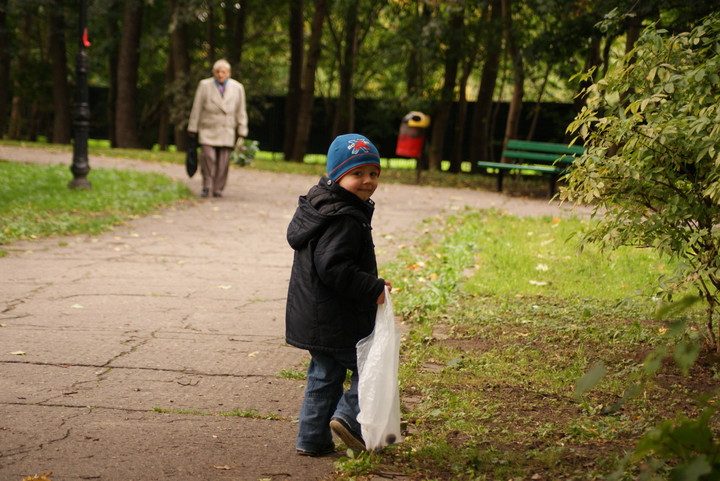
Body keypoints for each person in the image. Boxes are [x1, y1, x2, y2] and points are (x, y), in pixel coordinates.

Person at [285, 133, 392, 457]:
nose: (367, 181)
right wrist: (372, 287)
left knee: (325, 373)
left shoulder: (321, 205)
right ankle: (349, 418)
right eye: (357, 174)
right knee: (370, 366)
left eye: (373, 173)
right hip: (337, 315)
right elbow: (334, 268)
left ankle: (312, 438)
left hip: (316, 315)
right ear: (337, 175)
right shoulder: (344, 217)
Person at [187, 59, 248, 198]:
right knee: (207, 156)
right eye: (217, 71)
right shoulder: (204, 85)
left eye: (223, 72)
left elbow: (241, 110)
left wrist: (242, 130)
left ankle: (218, 188)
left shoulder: (237, 88)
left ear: (229, 73)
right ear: (214, 73)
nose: (220, 74)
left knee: (223, 162)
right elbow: (197, 108)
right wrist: (193, 128)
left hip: (227, 129)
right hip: (208, 128)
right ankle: (207, 185)